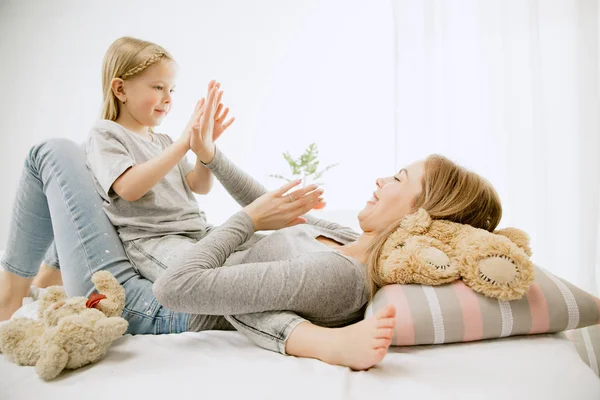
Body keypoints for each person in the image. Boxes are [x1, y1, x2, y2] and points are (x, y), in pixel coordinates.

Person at [0, 36, 502, 370]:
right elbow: (267, 206)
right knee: (91, 176)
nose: (379, 178)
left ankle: (10, 292)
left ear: (419, 212)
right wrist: (212, 156)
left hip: (147, 298)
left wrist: (245, 224)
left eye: (397, 177)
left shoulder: (342, 273)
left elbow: (185, 287)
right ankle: (48, 276)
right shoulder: (346, 237)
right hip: (166, 257)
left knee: (52, 153)